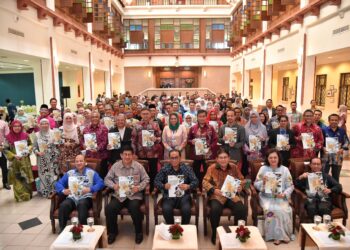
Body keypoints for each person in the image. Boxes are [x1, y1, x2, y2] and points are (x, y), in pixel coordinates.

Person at [104, 146, 150, 244]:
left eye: (129, 154)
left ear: (133, 155)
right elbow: (106, 179)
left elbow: (147, 179)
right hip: (119, 195)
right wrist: (114, 185)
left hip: (134, 195)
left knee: (134, 207)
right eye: (125, 154)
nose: (127, 157)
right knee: (110, 208)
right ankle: (113, 232)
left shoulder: (138, 166)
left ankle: (138, 232)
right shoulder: (115, 166)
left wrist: (139, 187)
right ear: (121, 155)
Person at [202, 149, 247, 245]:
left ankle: (237, 232)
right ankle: (215, 233)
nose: (223, 160)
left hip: (232, 196)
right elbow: (204, 182)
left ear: (229, 158)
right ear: (217, 159)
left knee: (241, 209)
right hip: (217, 196)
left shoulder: (234, 167)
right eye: (221, 158)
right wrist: (214, 190)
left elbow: (243, 180)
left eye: (225, 157)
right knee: (215, 209)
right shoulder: (211, 168)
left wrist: (240, 186)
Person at [254, 149, 294, 245]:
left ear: (278, 158)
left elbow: (291, 186)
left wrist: (284, 194)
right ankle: (276, 236)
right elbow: (255, 184)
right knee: (271, 209)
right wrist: (263, 182)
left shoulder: (285, 169)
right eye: (270, 157)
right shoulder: (263, 169)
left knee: (283, 210)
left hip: (280, 197)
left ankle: (284, 235)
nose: (273, 159)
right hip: (266, 197)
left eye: (275, 157)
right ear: (267, 159)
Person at [55, 154, 104, 232]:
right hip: (72, 197)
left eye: (81, 161)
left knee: (82, 204)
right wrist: (63, 190)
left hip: (85, 197)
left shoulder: (91, 172)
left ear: (85, 162)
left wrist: (90, 189)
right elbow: (58, 184)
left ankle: (83, 229)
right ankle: (62, 230)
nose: (78, 163)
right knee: (64, 205)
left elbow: (101, 183)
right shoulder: (70, 173)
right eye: (76, 161)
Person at [154, 149, 198, 224]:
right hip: (169, 197)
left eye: (176, 157)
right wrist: (163, 185)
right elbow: (156, 181)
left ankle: (184, 228)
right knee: (166, 209)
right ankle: (172, 228)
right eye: (172, 158)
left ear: (180, 158)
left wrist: (188, 186)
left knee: (186, 210)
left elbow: (196, 181)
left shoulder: (187, 169)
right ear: (169, 159)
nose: (174, 160)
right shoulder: (165, 169)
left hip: (184, 197)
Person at [131, 108, 162, 190]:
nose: (145, 115)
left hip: (153, 152)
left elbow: (160, 137)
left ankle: (152, 189)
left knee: (153, 172)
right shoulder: (137, 125)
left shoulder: (155, 125)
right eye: (143, 114)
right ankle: (142, 190)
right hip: (141, 153)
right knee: (141, 173)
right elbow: (133, 140)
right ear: (141, 115)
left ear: (150, 114)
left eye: (147, 113)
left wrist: (156, 139)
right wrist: (134, 153)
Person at [4, 120, 34, 201]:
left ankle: (28, 194)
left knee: (26, 177)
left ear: (21, 127)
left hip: (25, 161)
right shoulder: (8, 137)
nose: (17, 128)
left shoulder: (26, 135)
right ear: (11, 127)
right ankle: (20, 197)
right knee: (17, 178)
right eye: (15, 126)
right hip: (14, 162)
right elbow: (5, 149)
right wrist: (13, 155)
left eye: (18, 126)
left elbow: (31, 144)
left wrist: (28, 149)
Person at [188, 109, 218, 184]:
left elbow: (215, 140)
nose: (202, 118)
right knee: (195, 172)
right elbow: (188, 140)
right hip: (196, 155)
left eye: (203, 116)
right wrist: (192, 141)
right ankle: (197, 188)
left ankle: (207, 189)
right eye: (200, 116)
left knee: (208, 172)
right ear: (197, 117)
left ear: (206, 117)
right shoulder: (193, 128)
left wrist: (210, 147)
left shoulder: (211, 128)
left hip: (207, 155)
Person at [33, 119, 60, 197]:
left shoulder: (54, 133)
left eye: (46, 123)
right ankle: (46, 192)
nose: (44, 125)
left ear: (49, 124)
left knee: (53, 174)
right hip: (42, 159)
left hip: (53, 158)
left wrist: (57, 140)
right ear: (39, 125)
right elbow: (34, 148)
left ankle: (54, 193)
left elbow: (59, 145)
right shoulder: (36, 135)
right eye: (42, 124)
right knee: (44, 175)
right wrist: (37, 152)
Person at [81, 111, 109, 178]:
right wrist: (83, 145)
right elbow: (82, 140)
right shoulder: (85, 129)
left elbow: (105, 141)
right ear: (90, 118)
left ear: (99, 118)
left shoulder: (104, 128)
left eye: (96, 117)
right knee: (91, 176)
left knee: (101, 176)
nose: (94, 118)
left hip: (102, 157)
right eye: (93, 117)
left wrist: (97, 148)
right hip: (90, 157)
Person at [322, 114, 348, 182]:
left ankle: (335, 191)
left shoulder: (342, 131)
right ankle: (323, 190)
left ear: (338, 121)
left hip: (338, 156)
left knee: (336, 175)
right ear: (329, 121)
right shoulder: (324, 130)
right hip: (326, 156)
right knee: (324, 174)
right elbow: (320, 142)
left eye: (336, 120)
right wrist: (323, 148)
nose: (334, 121)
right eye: (332, 120)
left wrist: (342, 149)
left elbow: (346, 142)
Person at [0, 118, 10, 190]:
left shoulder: (3, 123)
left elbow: (7, 135)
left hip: (1, 148)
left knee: (4, 166)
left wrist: (4, 145)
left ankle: (5, 182)